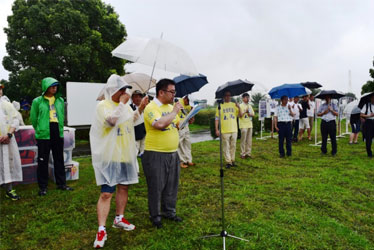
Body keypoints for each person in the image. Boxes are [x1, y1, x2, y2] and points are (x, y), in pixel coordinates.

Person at [90, 75, 148, 248]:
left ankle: (119, 218)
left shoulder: (127, 107)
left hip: (125, 154)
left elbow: (131, 121)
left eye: (125, 90)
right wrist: (123, 104)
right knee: (106, 193)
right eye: (121, 90)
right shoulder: (103, 106)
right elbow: (111, 122)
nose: (125, 93)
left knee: (124, 186)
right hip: (109, 156)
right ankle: (101, 229)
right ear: (112, 90)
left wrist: (141, 108)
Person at [142, 79, 183, 229]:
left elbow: (177, 124)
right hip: (155, 153)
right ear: (161, 92)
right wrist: (174, 112)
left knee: (171, 185)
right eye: (172, 92)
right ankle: (155, 216)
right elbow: (159, 124)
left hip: (172, 152)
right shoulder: (151, 107)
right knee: (156, 186)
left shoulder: (170, 107)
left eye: (174, 92)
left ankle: (169, 212)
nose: (174, 95)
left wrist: (187, 118)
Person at [30, 77, 73, 196]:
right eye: (52, 86)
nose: (54, 88)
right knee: (42, 160)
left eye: (56, 86)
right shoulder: (37, 101)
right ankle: (43, 187)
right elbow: (33, 118)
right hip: (44, 133)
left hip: (57, 131)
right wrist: (39, 130)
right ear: (45, 87)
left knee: (59, 158)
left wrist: (60, 128)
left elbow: (62, 115)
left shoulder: (59, 100)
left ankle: (62, 184)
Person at [0, 96, 22, 200]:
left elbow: (15, 120)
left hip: (8, 140)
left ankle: (9, 190)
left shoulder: (7, 105)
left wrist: (8, 135)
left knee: (9, 163)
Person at [215, 90, 242, 168]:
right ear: (224, 96)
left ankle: (233, 160)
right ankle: (228, 161)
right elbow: (217, 118)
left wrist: (239, 107)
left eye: (229, 95)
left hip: (234, 129)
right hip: (224, 129)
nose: (228, 97)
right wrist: (216, 129)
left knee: (233, 145)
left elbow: (240, 115)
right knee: (226, 146)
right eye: (226, 95)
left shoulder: (234, 105)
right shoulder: (220, 106)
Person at [177, 95, 194, 168]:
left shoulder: (189, 105)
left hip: (186, 124)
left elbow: (191, 112)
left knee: (187, 142)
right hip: (180, 124)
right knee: (180, 144)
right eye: (188, 101)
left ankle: (188, 160)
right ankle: (181, 161)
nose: (188, 104)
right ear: (185, 98)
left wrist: (192, 118)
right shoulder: (177, 103)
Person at [130, 90, 146, 159]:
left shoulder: (146, 108)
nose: (138, 98)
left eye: (140, 96)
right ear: (132, 98)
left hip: (144, 133)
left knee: (145, 153)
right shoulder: (129, 108)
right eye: (136, 96)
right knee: (134, 153)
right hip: (134, 134)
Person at [238, 93, 255, 159]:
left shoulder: (250, 106)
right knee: (243, 140)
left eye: (248, 97)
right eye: (246, 97)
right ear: (243, 98)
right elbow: (239, 115)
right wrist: (245, 111)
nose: (248, 99)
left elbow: (253, 114)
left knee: (249, 140)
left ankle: (248, 153)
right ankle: (242, 153)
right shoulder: (240, 106)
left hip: (249, 124)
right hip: (243, 125)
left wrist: (249, 113)